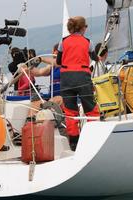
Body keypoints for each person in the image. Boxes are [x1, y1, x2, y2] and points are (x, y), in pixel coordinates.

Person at [56, 16, 99, 151]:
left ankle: (74, 143)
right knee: (90, 108)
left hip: (66, 79)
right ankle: (93, 137)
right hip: (82, 77)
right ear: (81, 28)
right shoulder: (88, 42)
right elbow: (95, 58)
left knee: (70, 111)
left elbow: (58, 61)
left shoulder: (63, 42)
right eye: (85, 26)